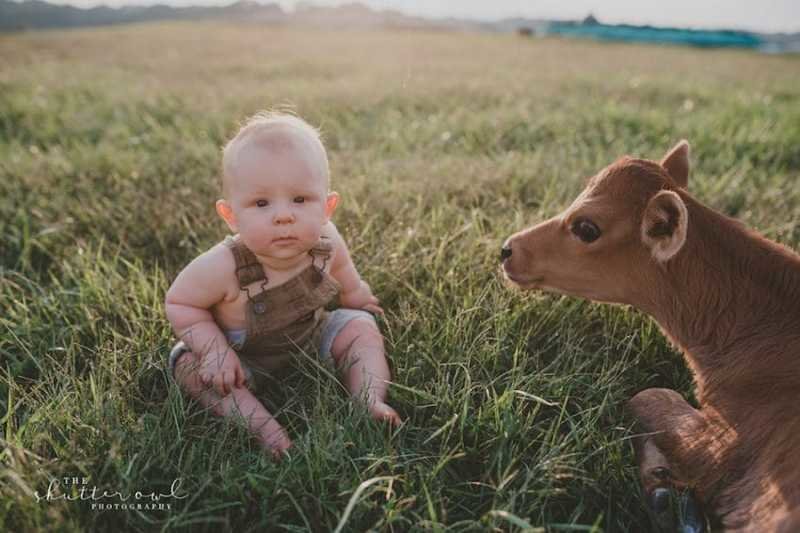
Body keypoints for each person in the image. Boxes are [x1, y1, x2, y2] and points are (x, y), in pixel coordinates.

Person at [164, 111, 400, 458]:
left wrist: (355, 294)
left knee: (361, 327)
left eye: (300, 199)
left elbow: (344, 267)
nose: (283, 215)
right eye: (261, 203)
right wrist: (215, 352)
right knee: (190, 368)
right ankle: (264, 430)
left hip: (310, 339)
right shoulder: (223, 265)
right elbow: (181, 303)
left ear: (327, 207)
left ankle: (368, 399)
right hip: (241, 361)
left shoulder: (326, 240)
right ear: (231, 216)